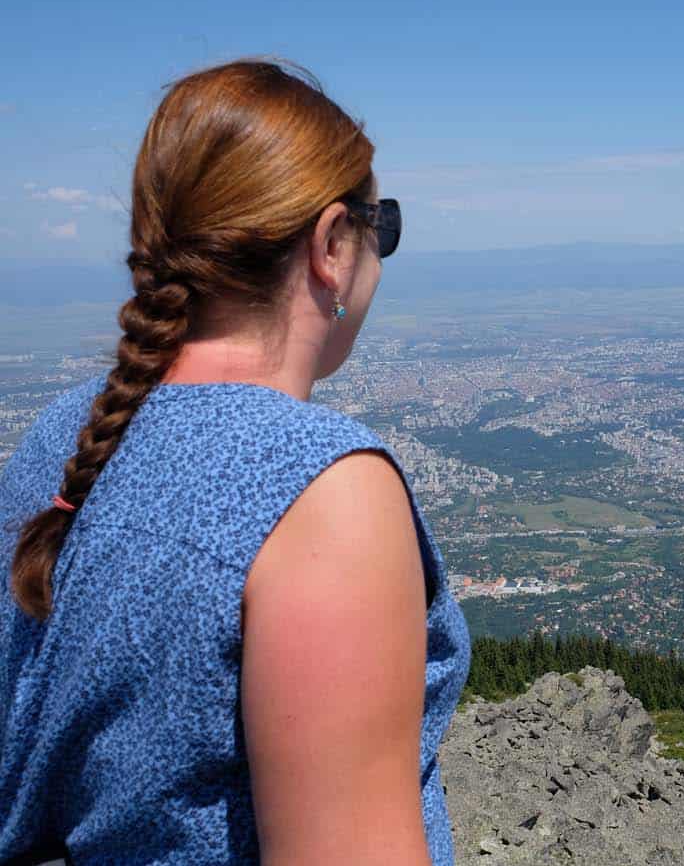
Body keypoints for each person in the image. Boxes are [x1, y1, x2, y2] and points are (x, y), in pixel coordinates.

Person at [0, 59, 470, 865]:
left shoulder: (61, 432)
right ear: (330, 245)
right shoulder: (322, 491)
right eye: (379, 227)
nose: (379, 256)